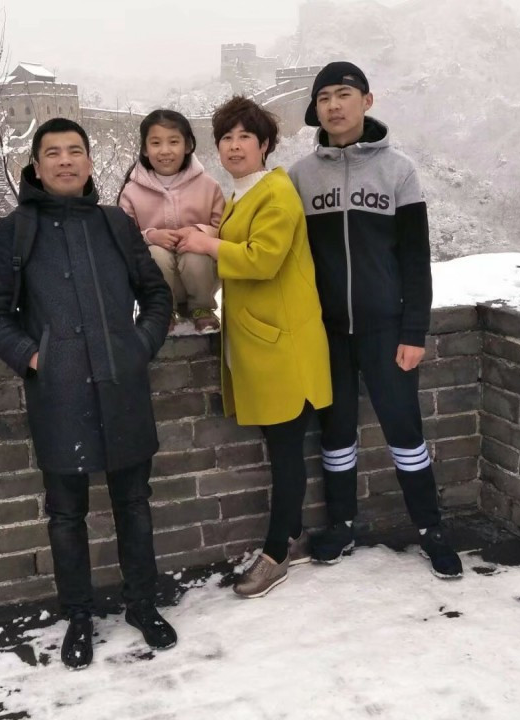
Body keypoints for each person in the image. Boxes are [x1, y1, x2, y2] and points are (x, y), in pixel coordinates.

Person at [0, 117, 177, 670]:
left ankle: (142, 603)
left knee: (134, 504)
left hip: (122, 385)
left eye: (74, 151)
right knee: (66, 515)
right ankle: (80, 615)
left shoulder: (115, 224)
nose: (65, 161)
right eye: (53, 153)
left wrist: (139, 346)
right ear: (36, 166)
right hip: (58, 393)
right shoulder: (14, 231)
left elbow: (156, 295)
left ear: (89, 162)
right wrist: (34, 357)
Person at [288, 62, 463, 579]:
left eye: (344, 95)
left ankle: (430, 529)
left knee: (405, 430)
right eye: (324, 97)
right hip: (325, 333)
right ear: (315, 109)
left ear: (366, 101)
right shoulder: (299, 177)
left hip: (386, 330)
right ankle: (341, 525)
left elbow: (415, 259)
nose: (334, 105)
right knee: (336, 433)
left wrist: (414, 332)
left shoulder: (398, 171)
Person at [176, 97, 332, 598]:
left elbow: (263, 259)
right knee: (280, 449)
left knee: (285, 454)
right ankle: (293, 536)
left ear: (265, 144)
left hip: (283, 347)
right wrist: (213, 232)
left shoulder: (277, 193)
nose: (234, 145)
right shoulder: (245, 193)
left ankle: (276, 553)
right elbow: (242, 237)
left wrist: (207, 245)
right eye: (226, 137)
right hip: (263, 344)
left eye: (245, 136)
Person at [118, 109, 224, 333]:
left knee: (196, 253)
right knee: (155, 253)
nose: (165, 150)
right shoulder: (132, 192)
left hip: (202, 279)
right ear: (145, 149)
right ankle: (163, 311)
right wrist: (150, 236)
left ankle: (202, 310)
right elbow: (123, 237)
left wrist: (198, 233)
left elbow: (224, 230)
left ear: (187, 145)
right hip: (156, 282)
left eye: (173, 142)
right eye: (156, 143)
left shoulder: (208, 186)